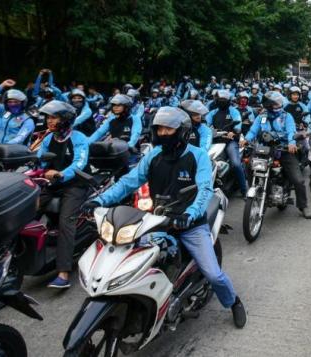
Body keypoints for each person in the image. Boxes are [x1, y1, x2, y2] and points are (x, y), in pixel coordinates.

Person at [81, 107, 247, 328]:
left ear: (182, 131)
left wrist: (189, 214)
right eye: (159, 128)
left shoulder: (198, 156)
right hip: (156, 221)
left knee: (213, 274)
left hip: (190, 224)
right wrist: (99, 200)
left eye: (168, 129)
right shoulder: (153, 156)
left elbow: (204, 190)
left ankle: (233, 301)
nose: (163, 133)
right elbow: (128, 182)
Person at [36, 100, 90, 288]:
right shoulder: (48, 138)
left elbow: (79, 163)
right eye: (47, 117)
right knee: (28, 209)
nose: (49, 121)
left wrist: (61, 174)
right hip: (52, 183)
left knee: (66, 221)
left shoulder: (79, 138)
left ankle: (63, 272)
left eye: (53, 117)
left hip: (75, 184)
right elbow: (39, 160)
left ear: (65, 119)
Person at [241, 92, 311, 219]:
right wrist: (246, 140)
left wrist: (291, 143)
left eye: (279, 102)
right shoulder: (261, 117)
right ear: (268, 105)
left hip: (284, 150)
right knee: (249, 165)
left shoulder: (286, 116)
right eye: (275, 103)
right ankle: (258, 192)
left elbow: (291, 131)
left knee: (298, 180)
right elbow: (253, 130)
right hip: (264, 149)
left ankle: (303, 205)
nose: (279, 105)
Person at [205, 90, 247, 196]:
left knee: (236, 164)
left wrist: (234, 132)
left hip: (230, 142)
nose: (222, 101)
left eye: (224, 100)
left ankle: (244, 190)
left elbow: (238, 123)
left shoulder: (233, 112)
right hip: (214, 141)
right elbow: (205, 124)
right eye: (220, 100)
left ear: (228, 101)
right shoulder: (212, 113)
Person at [0, 79, 35, 145]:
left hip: (17, 152)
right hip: (2, 150)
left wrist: (3, 146)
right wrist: (2, 85)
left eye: (16, 102)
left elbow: (20, 138)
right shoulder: (4, 112)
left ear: (23, 103)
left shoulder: (27, 120)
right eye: (10, 102)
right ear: (6, 104)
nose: (13, 104)